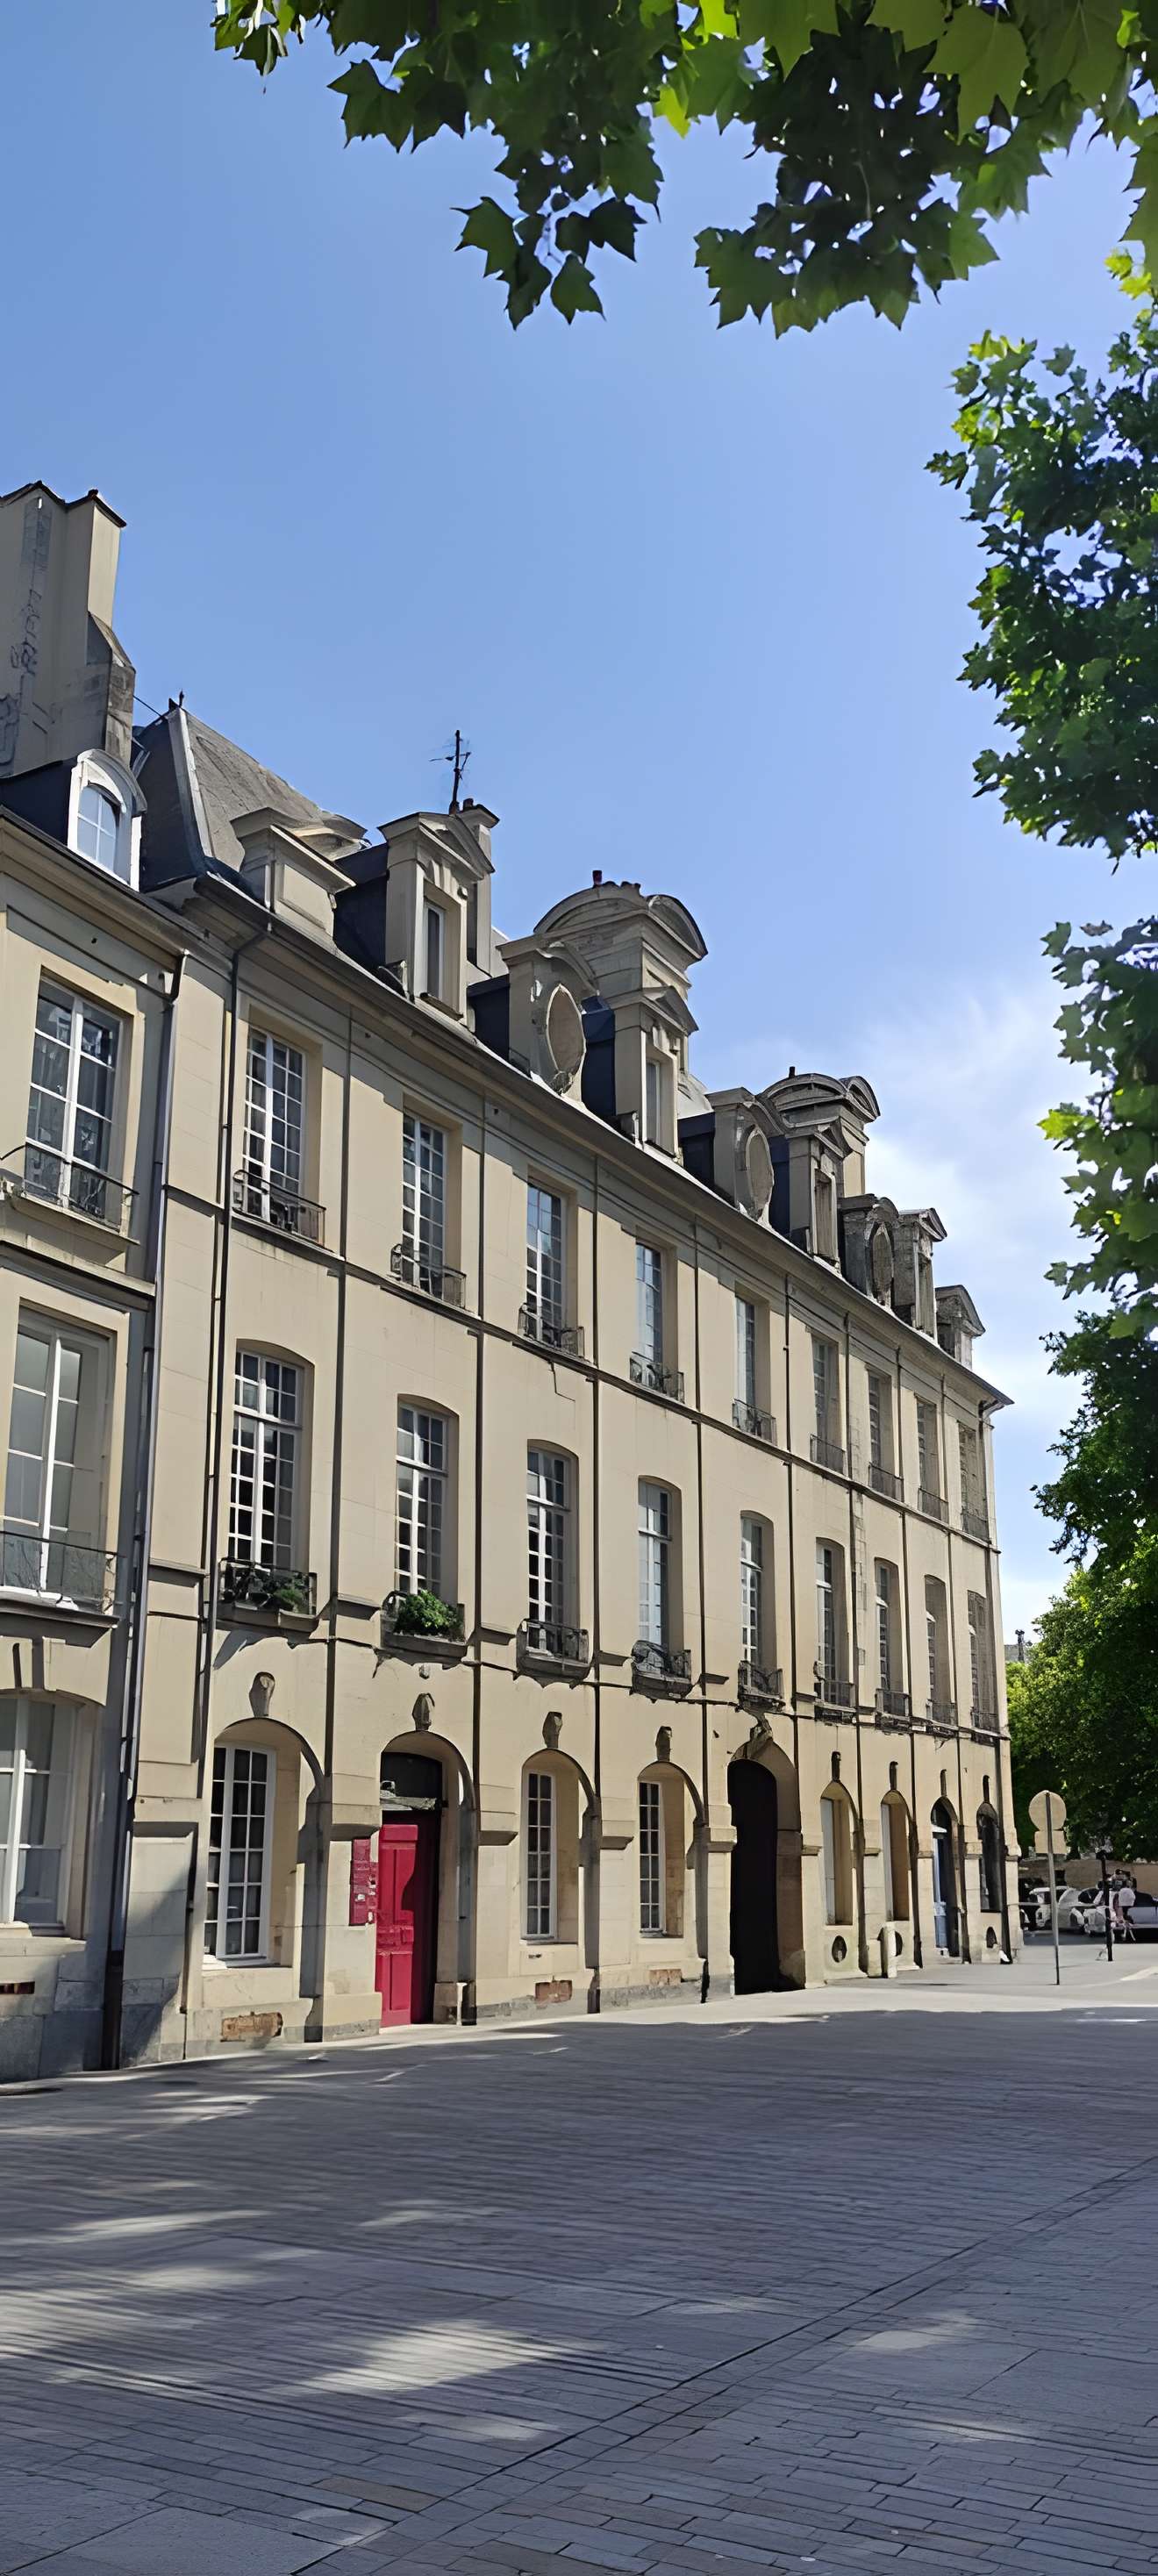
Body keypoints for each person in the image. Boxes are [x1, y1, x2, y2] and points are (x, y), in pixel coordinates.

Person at [1119, 1876, 1138, 1942]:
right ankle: (1130, 1937)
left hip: (1122, 1905)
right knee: (1126, 1919)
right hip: (1128, 1905)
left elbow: (1119, 1898)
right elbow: (1133, 1897)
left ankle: (1125, 1935)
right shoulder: (1129, 1890)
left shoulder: (1121, 1890)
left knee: (1125, 1918)